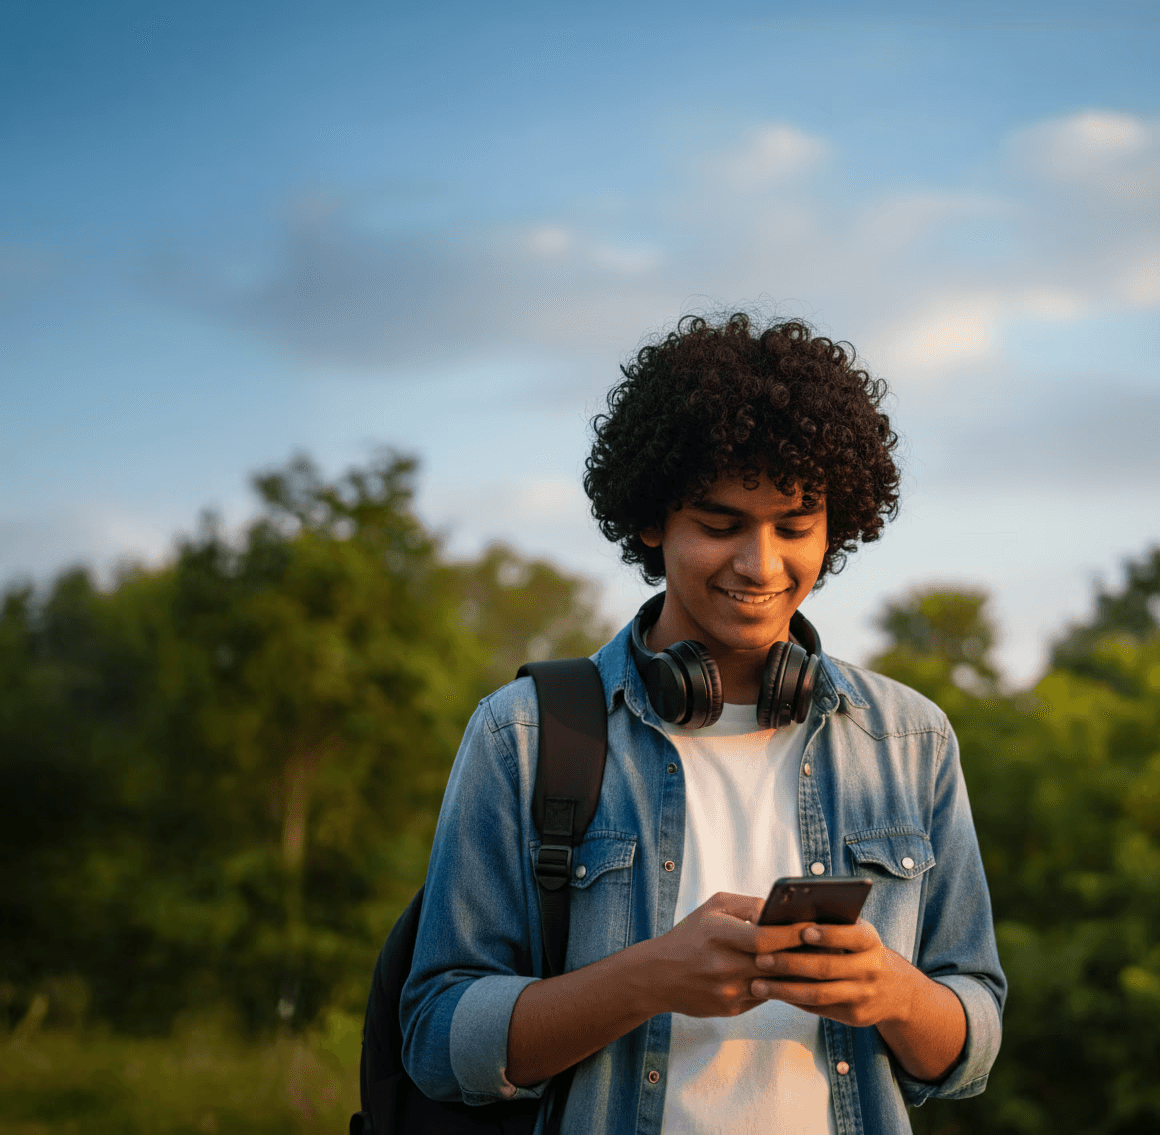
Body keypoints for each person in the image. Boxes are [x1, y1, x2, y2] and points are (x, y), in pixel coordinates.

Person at [399, 313, 1004, 1135]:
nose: (761, 564)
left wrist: (894, 992)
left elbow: (971, 1040)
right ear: (653, 521)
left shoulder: (910, 740)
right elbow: (436, 1034)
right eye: (721, 525)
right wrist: (643, 980)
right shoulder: (526, 736)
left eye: (795, 527)